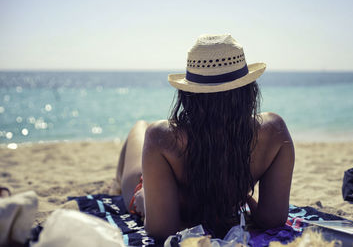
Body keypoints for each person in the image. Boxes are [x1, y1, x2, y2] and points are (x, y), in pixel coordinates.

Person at [113, 34, 295, 241]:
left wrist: (146, 200)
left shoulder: (162, 137)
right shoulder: (274, 132)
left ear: (188, 94)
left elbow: (163, 231)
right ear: (249, 90)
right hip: (167, 184)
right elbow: (273, 219)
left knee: (139, 127)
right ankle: (115, 182)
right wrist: (241, 197)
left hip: (150, 186)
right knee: (141, 131)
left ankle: (117, 182)